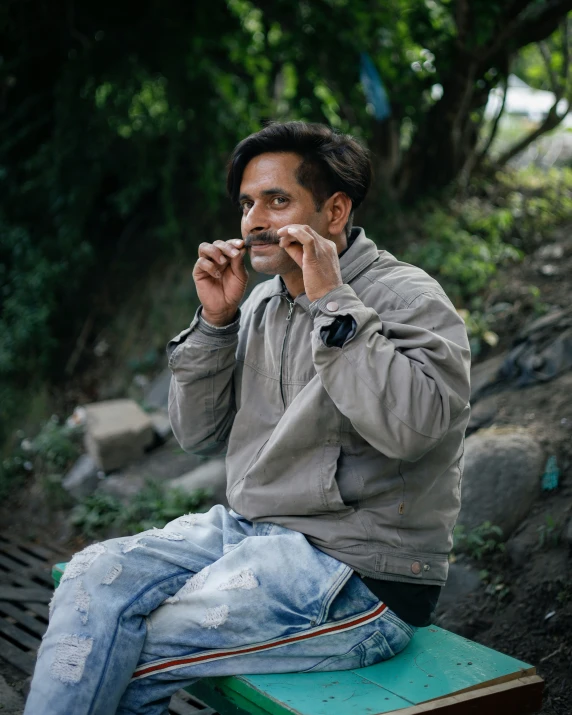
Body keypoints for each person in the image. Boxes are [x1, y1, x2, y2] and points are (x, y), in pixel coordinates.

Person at [25, 122, 471, 715]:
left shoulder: (408, 298)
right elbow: (196, 435)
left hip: (362, 575)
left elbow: (410, 430)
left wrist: (332, 303)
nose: (253, 220)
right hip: (252, 536)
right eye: (246, 203)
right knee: (90, 578)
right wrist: (215, 323)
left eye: (276, 200)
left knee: (124, 652)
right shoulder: (263, 301)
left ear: (334, 212)